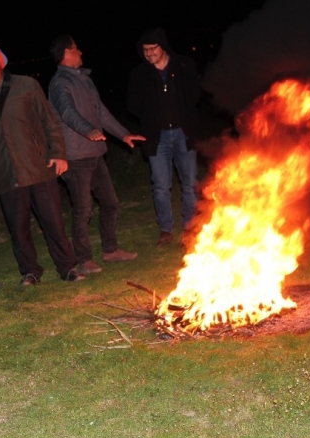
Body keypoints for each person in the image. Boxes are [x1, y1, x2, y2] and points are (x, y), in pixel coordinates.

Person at [0, 45, 83, 286]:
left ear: (0, 62)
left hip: (38, 167)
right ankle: (30, 271)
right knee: (18, 229)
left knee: (53, 222)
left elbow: (50, 121)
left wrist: (59, 153)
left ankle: (67, 266)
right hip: (6, 173)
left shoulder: (26, 85)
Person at [48, 35, 145, 274]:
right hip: (76, 157)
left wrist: (123, 134)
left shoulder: (85, 80)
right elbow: (67, 113)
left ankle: (110, 251)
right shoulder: (60, 83)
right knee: (83, 210)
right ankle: (84, 259)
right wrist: (87, 130)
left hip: (95, 154)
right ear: (66, 53)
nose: (81, 52)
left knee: (110, 203)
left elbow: (101, 112)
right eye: (76, 49)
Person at [127, 28, 202, 246]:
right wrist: (151, 115)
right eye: (145, 50)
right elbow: (133, 105)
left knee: (189, 183)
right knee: (161, 185)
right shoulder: (140, 74)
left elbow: (196, 93)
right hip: (156, 137)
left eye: (152, 49)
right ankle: (166, 229)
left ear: (163, 47)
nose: (148, 53)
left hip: (184, 133)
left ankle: (190, 227)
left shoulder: (184, 66)